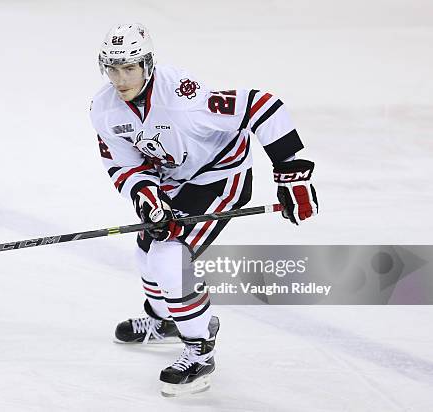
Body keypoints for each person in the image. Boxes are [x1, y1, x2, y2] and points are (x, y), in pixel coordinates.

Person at [89, 23, 318, 397]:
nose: (120, 78)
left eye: (129, 67)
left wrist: (291, 173)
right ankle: (163, 319)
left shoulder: (182, 96)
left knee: (169, 257)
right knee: (146, 252)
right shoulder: (104, 108)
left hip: (219, 176)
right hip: (175, 180)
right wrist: (147, 197)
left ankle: (199, 348)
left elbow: (261, 105)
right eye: (112, 68)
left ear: (147, 64)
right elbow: (123, 164)